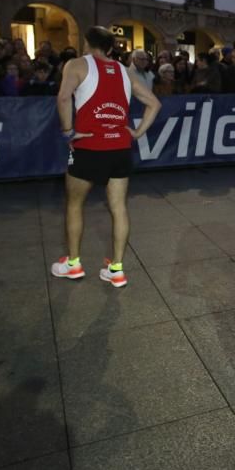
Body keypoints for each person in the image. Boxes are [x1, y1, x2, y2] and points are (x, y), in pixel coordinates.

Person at [50, 27, 161, 288]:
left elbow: (64, 97)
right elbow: (155, 103)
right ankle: (117, 269)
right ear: (111, 48)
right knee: (118, 207)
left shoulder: (76, 64)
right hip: (120, 148)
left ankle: (73, 264)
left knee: (74, 204)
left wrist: (68, 131)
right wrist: (137, 133)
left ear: (86, 43)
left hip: (88, 147)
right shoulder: (125, 71)